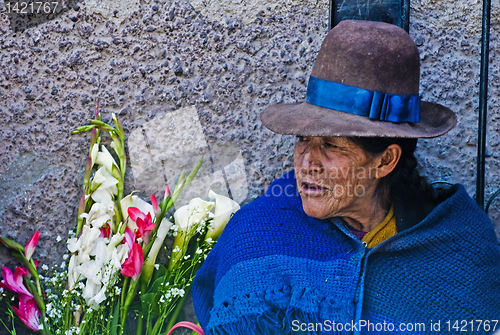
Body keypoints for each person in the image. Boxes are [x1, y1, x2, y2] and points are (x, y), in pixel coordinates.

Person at [192, 20, 500, 334]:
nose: (307, 163)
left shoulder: (457, 246)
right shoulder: (259, 233)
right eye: (303, 140)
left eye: (330, 146)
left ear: (385, 160)